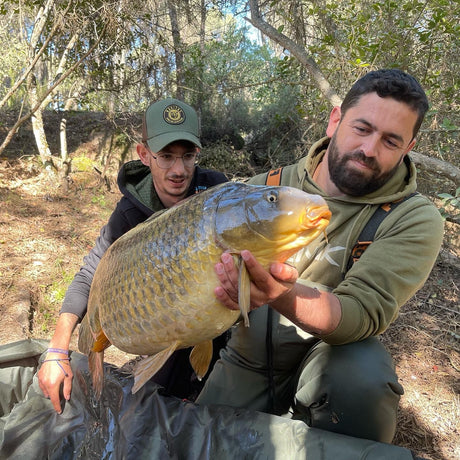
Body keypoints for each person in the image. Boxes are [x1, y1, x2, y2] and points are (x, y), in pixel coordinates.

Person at [196, 69, 444, 443]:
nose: (370, 149)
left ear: (408, 148)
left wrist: (278, 294)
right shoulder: (263, 189)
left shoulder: (414, 217)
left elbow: (362, 311)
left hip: (330, 365)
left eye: (391, 141)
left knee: (363, 379)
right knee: (197, 443)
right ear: (335, 120)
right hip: (247, 360)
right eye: (362, 128)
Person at [38, 98, 228, 414]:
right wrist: (57, 350)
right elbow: (88, 276)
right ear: (144, 154)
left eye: (188, 156)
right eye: (166, 156)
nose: (179, 171)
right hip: (162, 327)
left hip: (217, 317)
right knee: (155, 409)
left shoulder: (215, 191)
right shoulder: (127, 214)